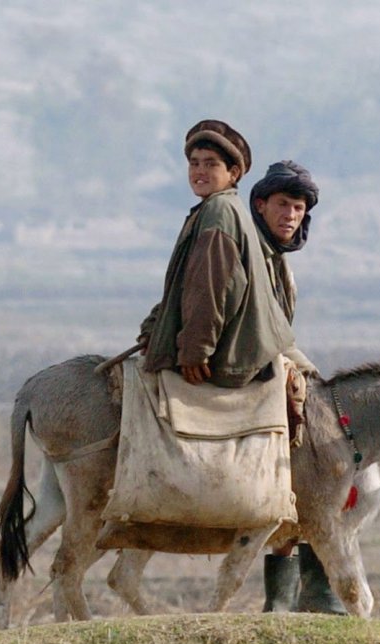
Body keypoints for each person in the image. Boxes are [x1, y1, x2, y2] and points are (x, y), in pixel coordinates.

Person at [239, 160, 345, 614]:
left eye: (299, 208)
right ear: (261, 205)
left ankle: (295, 599)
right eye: (283, 205)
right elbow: (254, 331)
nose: (290, 215)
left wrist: (315, 378)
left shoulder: (279, 264)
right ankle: (299, 596)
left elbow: (283, 336)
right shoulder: (247, 255)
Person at [136, 119, 296, 389]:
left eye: (211, 164)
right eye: (194, 163)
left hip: (231, 360)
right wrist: (155, 328)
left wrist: (195, 352)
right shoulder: (218, 208)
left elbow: (210, 289)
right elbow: (185, 287)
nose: (200, 171)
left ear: (233, 173)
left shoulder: (219, 211)